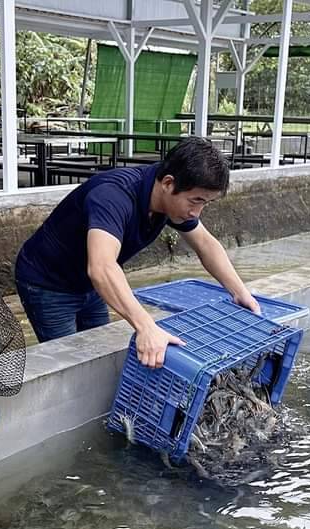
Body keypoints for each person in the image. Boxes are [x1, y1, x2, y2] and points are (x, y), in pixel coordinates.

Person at [14, 136, 261, 369]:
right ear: (168, 183)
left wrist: (240, 292)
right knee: (67, 361)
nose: (196, 212)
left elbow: (205, 244)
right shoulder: (113, 197)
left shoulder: (170, 201)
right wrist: (146, 326)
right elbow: (101, 268)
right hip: (47, 283)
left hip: (90, 284)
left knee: (98, 350)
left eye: (205, 203)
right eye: (195, 201)